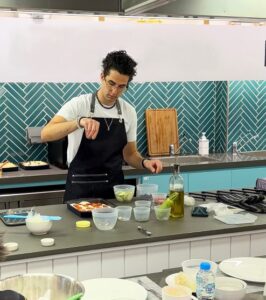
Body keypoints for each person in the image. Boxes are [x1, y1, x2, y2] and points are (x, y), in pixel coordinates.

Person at [41, 50, 163, 202]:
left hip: (114, 193)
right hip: (80, 192)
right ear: (102, 77)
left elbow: (130, 154)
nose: (114, 91)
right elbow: (46, 134)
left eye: (121, 87)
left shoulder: (128, 112)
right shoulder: (80, 104)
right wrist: (79, 122)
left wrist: (145, 162)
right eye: (111, 83)